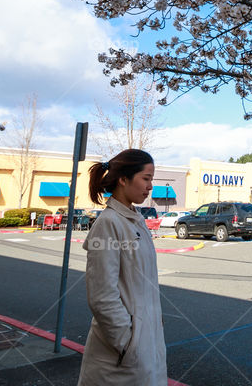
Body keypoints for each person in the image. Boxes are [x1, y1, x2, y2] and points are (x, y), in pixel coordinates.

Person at [77, 149, 167, 385]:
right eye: (146, 179)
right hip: (120, 357)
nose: (150, 187)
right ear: (123, 179)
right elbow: (101, 295)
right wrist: (127, 342)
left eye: (151, 180)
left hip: (147, 344)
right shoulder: (108, 223)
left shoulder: (136, 220)